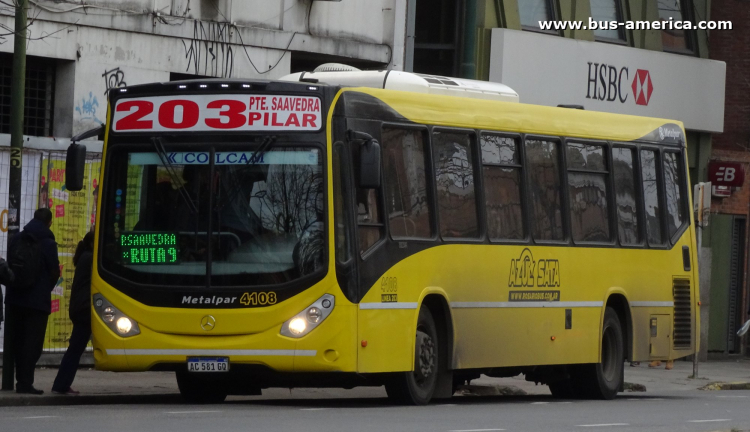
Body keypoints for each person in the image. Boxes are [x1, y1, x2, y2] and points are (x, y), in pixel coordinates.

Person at [4, 208, 60, 395]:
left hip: (14, 298)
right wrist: (44, 289)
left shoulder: (17, 238)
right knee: (32, 344)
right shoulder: (49, 243)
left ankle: (14, 381)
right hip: (37, 302)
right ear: (49, 222)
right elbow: (54, 272)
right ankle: (25, 383)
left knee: (17, 341)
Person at [52, 232, 94, 395]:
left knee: (75, 349)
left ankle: (61, 384)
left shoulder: (84, 257)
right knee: (75, 350)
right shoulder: (90, 258)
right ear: (93, 244)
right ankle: (61, 384)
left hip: (79, 308)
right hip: (84, 309)